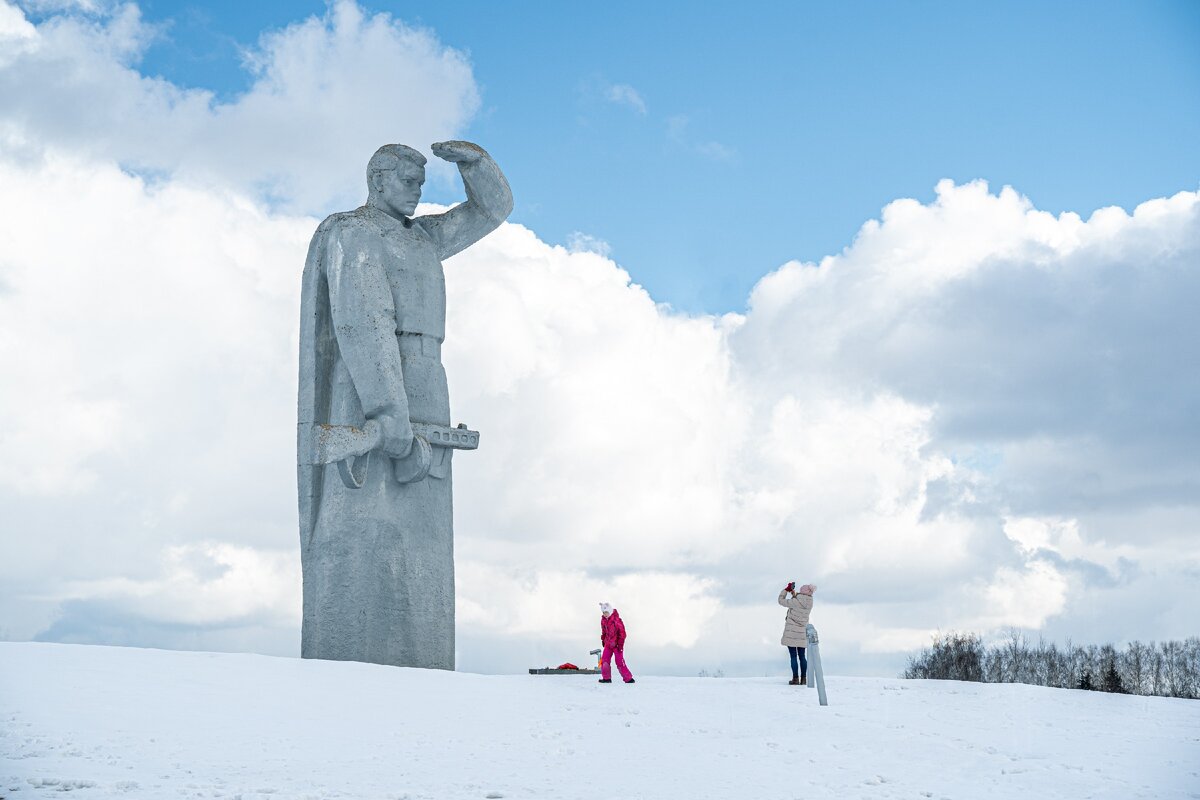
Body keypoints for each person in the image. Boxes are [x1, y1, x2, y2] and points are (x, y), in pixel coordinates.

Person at [297, 141, 513, 669]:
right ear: (378, 180)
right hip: (371, 384)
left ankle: (421, 653)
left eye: (422, 183)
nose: (419, 193)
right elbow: (360, 320)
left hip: (429, 379)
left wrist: (476, 166)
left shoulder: (421, 239)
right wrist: (387, 410)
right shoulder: (354, 232)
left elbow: (492, 211)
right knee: (367, 518)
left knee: (425, 532)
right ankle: (354, 645)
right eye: (409, 182)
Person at [779, 582, 816, 685]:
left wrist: (786, 590)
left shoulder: (795, 601)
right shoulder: (810, 601)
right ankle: (804, 679)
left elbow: (781, 601)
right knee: (802, 656)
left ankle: (795, 678)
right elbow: (800, 601)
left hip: (791, 632)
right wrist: (794, 594)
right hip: (802, 633)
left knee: (793, 656)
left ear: (803, 592)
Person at [598, 602, 635, 684]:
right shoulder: (603, 620)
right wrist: (603, 640)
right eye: (603, 613)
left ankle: (628, 678)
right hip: (608, 644)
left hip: (617, 645)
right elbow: (604, 631)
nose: (605, 614)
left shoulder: (617, 620)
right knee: (604, 661)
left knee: (619, 662)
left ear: (610, 611)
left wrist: (620, 645)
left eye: (606, 612)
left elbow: (622, 634)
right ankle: (606, 678)